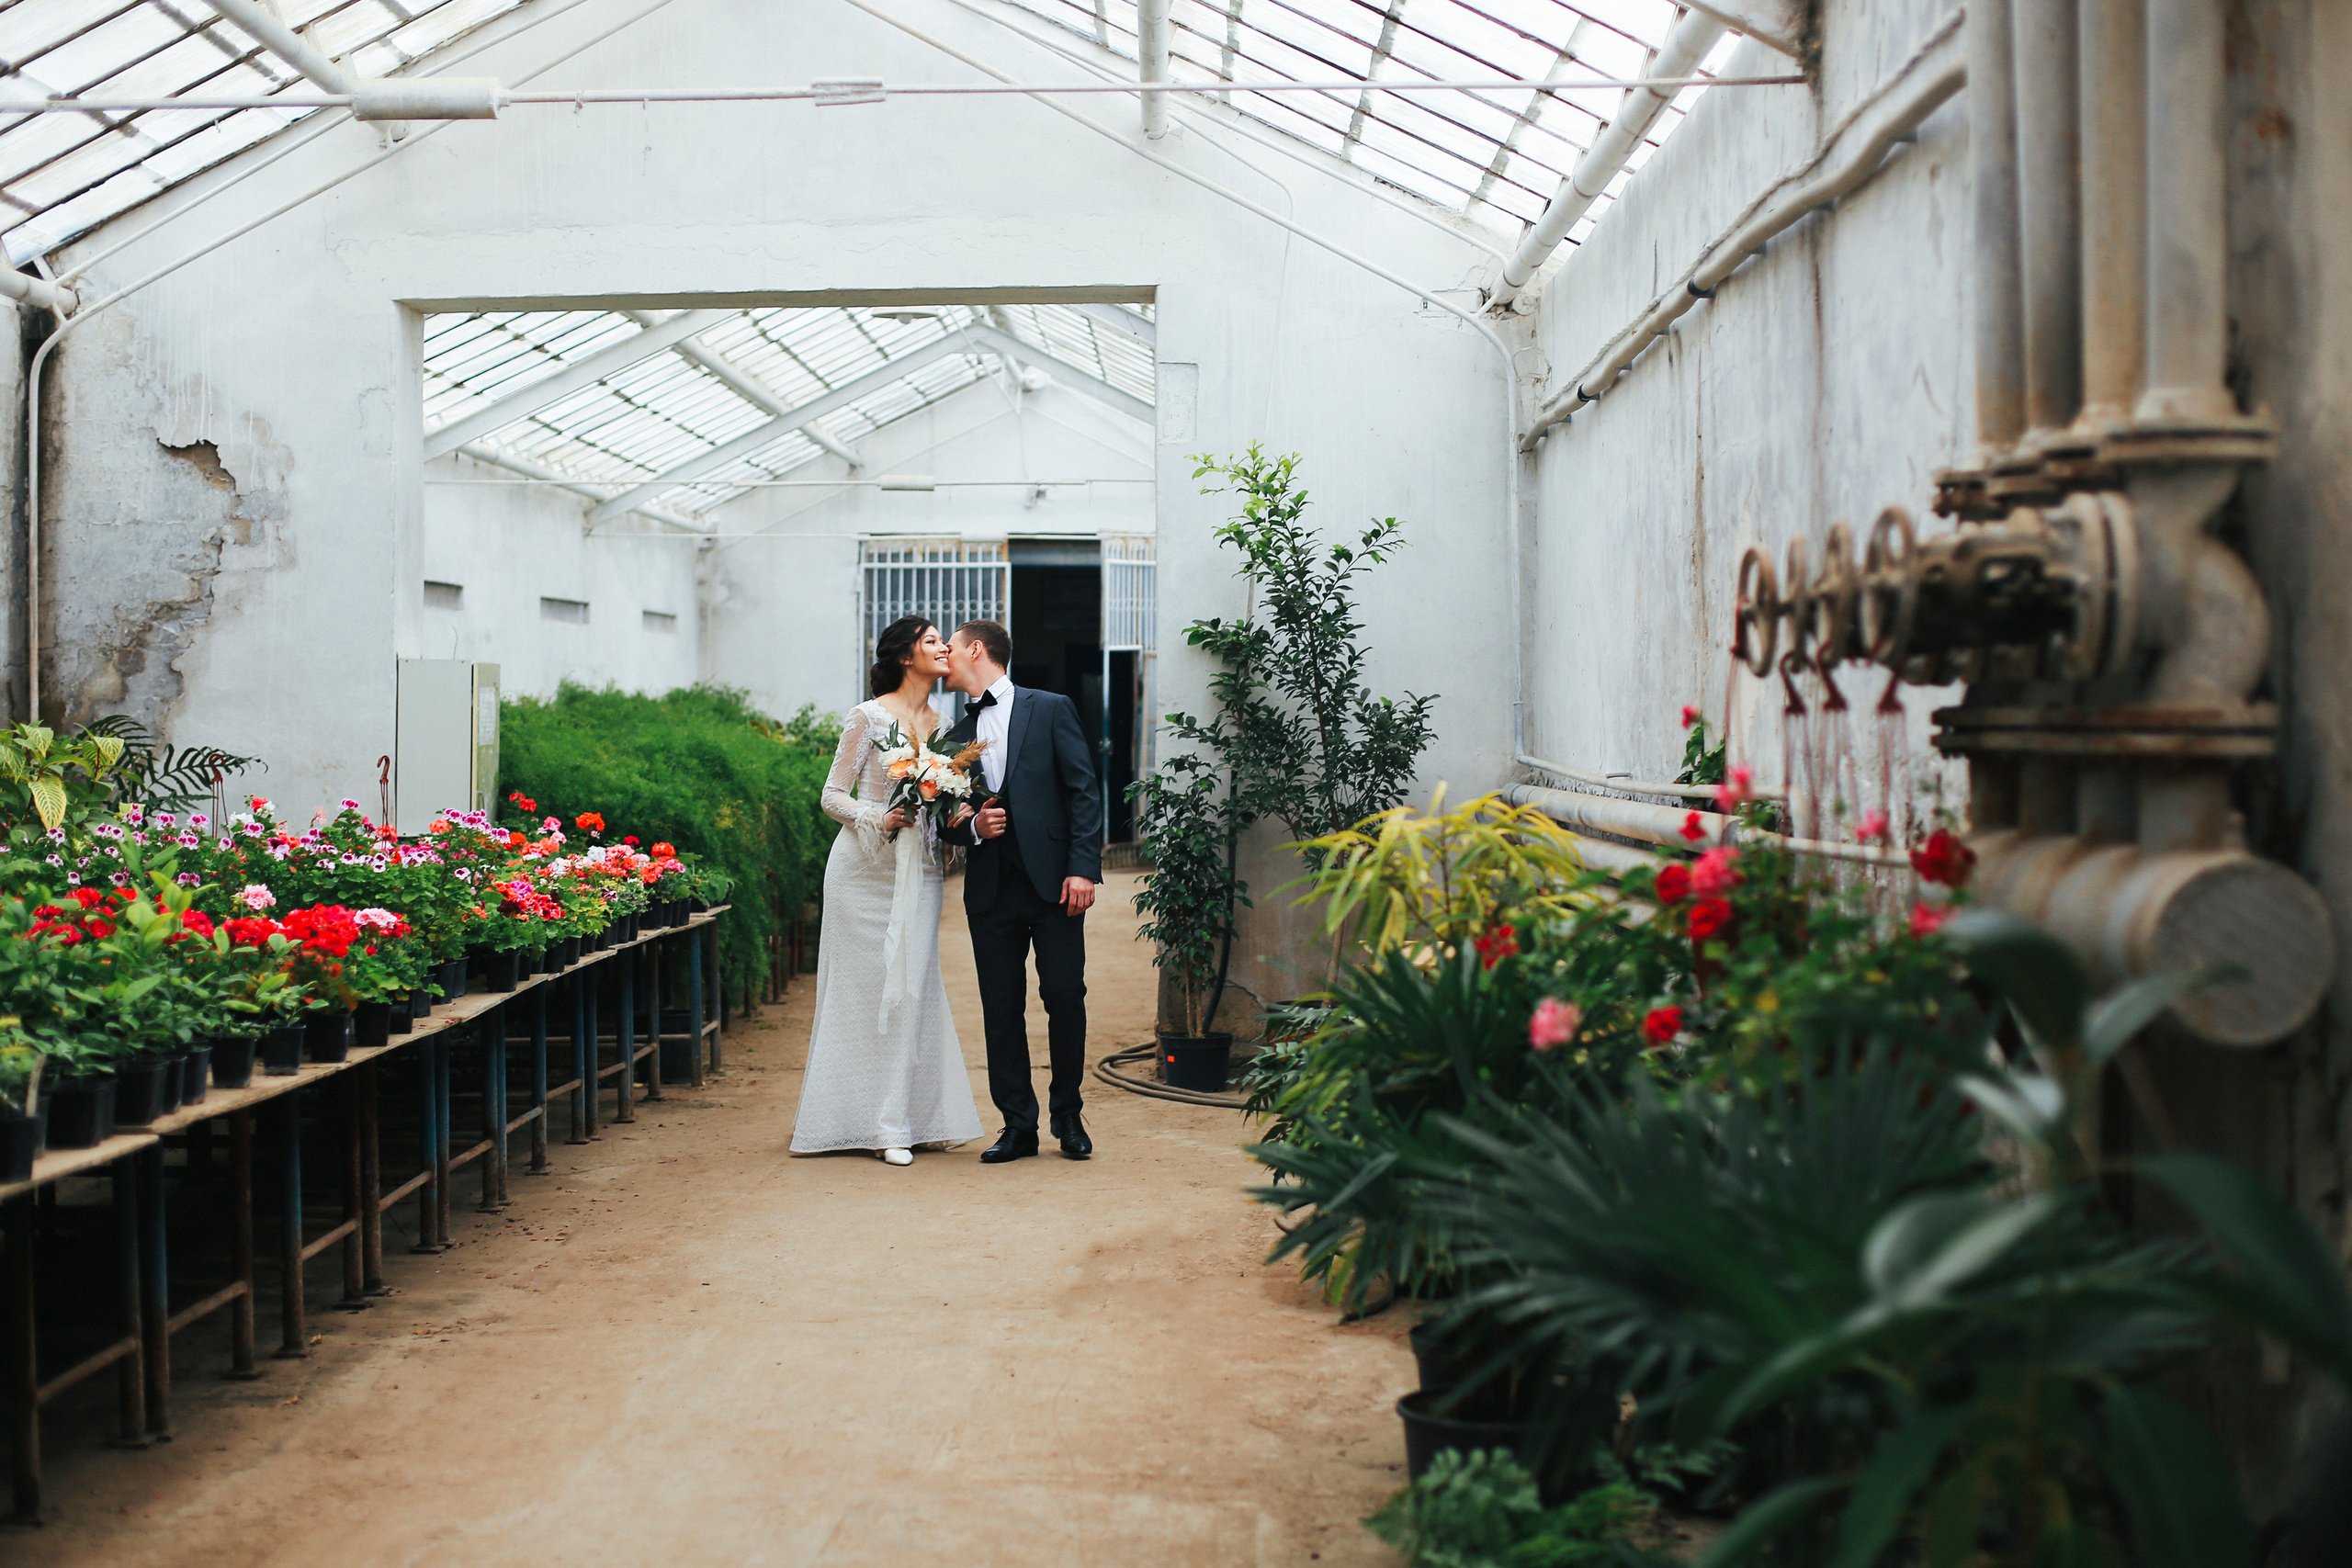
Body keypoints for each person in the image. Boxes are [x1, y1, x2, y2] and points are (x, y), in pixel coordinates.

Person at [789, 617, 985, 1166]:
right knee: (861, 994)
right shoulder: (868, 716)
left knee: (913, 990)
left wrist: (951, 816)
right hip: (861, 872)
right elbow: (831, 796)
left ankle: (899, 1119)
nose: (943, 648)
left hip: (918, 871)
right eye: (930, 642)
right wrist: (882, 815)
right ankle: (853, 1120)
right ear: (904, 656)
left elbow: (942, 805)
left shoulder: (944, 724)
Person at [940, 618, 1104, 1163]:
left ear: (977, 650)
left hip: (1056, 883)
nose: (945, 657)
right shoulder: (952, 734)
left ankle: (1068, 1115)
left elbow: (1084, 790)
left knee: (1064, 995)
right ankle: (1018, 1125)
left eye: (952, 649)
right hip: (990, 889)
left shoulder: (1050, 707)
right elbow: (945, 815)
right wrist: (970, 829)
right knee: (1000, 1007)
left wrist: (1083, 868)